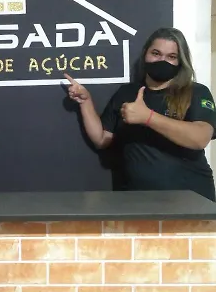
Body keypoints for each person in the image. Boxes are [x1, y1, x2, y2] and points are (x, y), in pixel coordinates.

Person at [65, 27, 216, 201]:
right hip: (137, 200)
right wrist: (85, 102)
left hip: (190, 199)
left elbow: (200, 138)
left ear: (180, 61)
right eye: (156, 53)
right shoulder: (127, 93)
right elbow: (101, 139)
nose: (162, 60)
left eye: (171, 57)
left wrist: (148, 117)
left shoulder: (196, 92)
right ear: (145, 54)